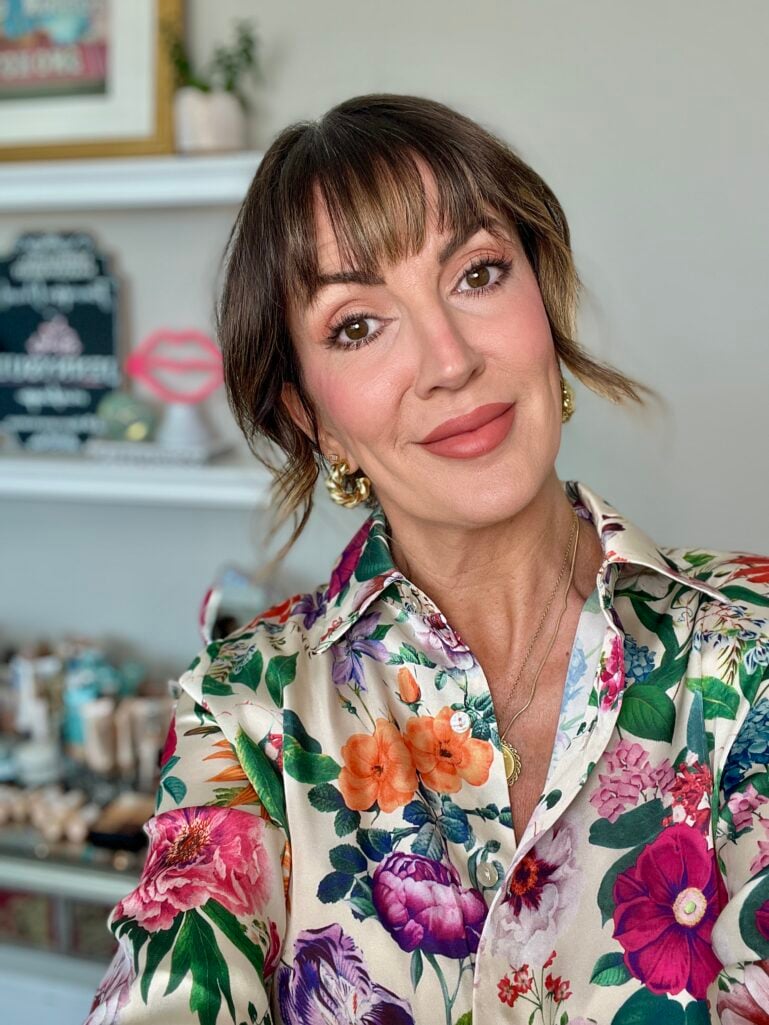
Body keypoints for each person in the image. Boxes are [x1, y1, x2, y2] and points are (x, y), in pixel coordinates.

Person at [85, 93, 769, 1025]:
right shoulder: (243, 711)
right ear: (313, 418)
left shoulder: (752, 649)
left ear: (543, 299)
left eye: (478, 273)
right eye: (357, 326)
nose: (448, 359)